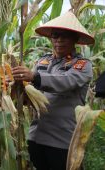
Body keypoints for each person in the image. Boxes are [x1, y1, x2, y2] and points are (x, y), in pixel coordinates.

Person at [11, 12, 94, 170]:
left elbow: (65, 82)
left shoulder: (82, 65)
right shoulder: (43, 61)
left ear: (75, 39)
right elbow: (32, 90)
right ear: (50, 38)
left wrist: (34, 77)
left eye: (65, 36)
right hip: (36, 137)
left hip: (62, 141)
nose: (59, 40)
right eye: (55, 36)